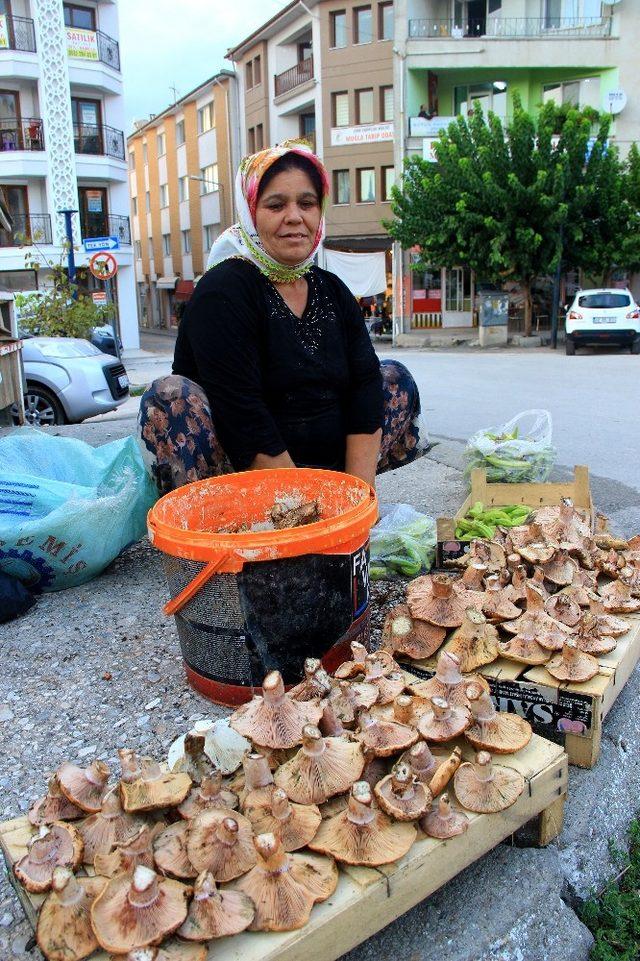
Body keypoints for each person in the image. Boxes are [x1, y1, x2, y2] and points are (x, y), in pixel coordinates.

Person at [137, 142, 426, 494]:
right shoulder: (224, 289)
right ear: (251, 213)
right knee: (169, 396)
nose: (294, 216)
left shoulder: (331, 289)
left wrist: (355, 500)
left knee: (394, 378)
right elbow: (244, 415)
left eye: (307, 203)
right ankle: (229, 529)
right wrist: (303, 511)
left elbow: (365, 387)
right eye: (276, 205)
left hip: (328, 466)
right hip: (241, 472)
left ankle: (339, 495)